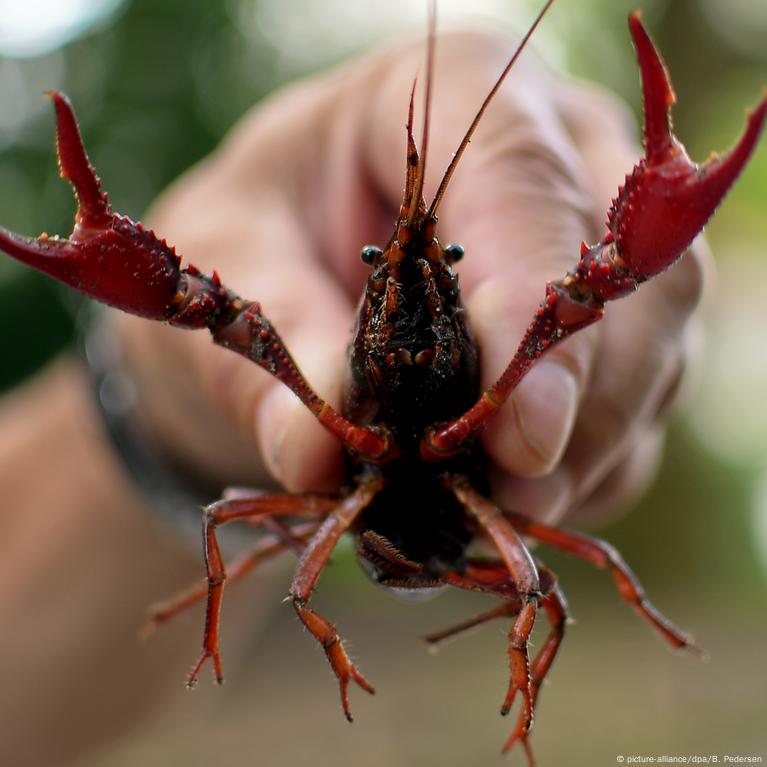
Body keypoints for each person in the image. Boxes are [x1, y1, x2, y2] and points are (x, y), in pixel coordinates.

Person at [0, 30, 705, 767]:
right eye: (378, 265)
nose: (402, 280)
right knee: (240, 523)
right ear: (366, 279)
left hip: (451, 507)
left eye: (444, 266)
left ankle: (526, 718)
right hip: (378, 505)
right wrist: (154, 399)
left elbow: (594, 286)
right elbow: (220, 319)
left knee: (547, 589)